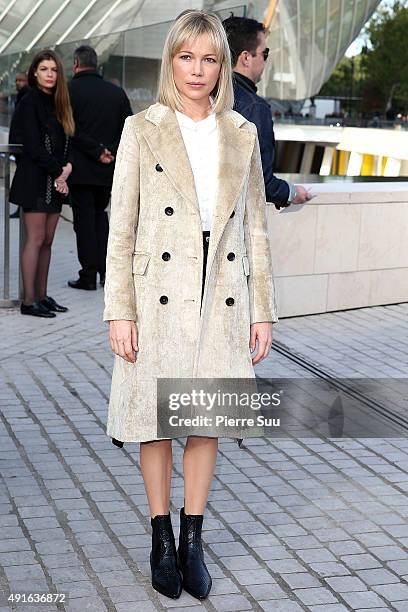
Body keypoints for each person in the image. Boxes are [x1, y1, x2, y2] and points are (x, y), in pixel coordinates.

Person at [103, 9, 277, 601]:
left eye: (209, 59)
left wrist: (262, 310)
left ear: (223, 65)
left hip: (221, 294)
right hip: (158, 297)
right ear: (171, 61)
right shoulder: (141, 128)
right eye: (186, 57)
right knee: (156, 419)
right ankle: (159, 534)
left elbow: (255, 227)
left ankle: (192, 537)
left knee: (206, 420)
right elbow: (120, 228)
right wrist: (118, 310)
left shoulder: (242, 132)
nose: (197, 70)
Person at [10, 50, 74, 318]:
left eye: (54, 70)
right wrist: (60, 172)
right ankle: (28, 301)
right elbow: (34, 147)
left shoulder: (59, 102)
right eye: (44, 69)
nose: (50, 74)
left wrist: (67, 167)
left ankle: (42, 295)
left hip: (55, 181)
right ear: (34, 72)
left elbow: (69, 140)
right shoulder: (30, 101)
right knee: (35, 240)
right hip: (35, 180)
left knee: (47, 241)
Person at [223, 16, 311, 208]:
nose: (265, 60)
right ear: (246, 58)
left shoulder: (208, 95)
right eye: (265, 53)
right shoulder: (255, 107)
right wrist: (292, 193)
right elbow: (261, 181)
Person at [67, 45, 132, 291]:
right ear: (97, 65)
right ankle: (106, 272)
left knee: (83, 222)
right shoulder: (116, 93)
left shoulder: (69, 91)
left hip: (81, 169)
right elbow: (128, 126)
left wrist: (95, 150)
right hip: (108, 169)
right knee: (100, 217)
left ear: (76, 64)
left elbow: (69, 128)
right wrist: (110, 151)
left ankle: (88, 275)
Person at [9, 72, 29, 219]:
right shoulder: (21, 97)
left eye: (21, 80)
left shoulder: (27, 97)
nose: (18, 83)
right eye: (16, 80)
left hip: (24, 148)